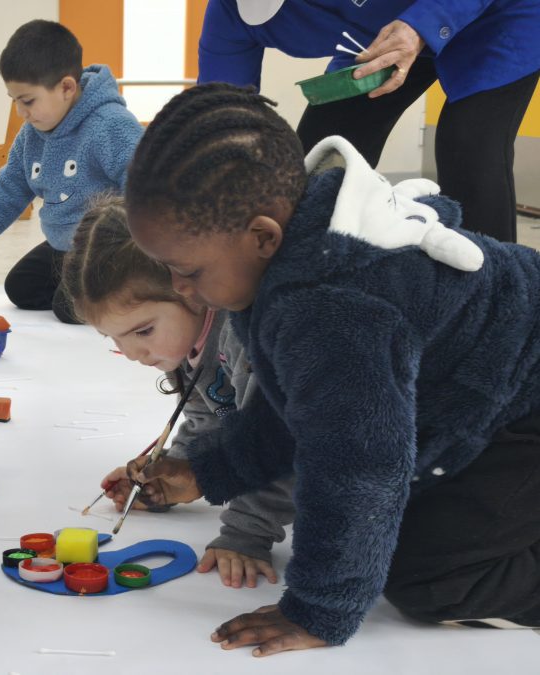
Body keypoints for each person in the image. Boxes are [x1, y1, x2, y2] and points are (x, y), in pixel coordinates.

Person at [124, 82, 540, 656]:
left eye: (185, 269)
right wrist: (207, 470)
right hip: (493, 391)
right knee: (387, 531)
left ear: (263, 236)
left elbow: (358, 465)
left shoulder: (330, 307)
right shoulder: (290, 260)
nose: (178, 287)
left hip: (524, 405)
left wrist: (320, 608)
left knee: (426, 578)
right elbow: (294, 405)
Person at [62, 198, 294, 588]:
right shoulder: (193, 337)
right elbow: (208, 419)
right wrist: (174, 470)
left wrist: (246, 532)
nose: (134, 354)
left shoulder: (247, 336)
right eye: (113, 338)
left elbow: (284, 444)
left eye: (143, 331)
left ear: (188, 287)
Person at [198, 0, 540, 242]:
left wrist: (422, 25)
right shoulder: (230, 14)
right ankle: (319, 281)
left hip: (498, 17)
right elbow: (220, 116)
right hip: (384, 37)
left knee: (468, 144)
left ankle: (499, 304)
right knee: (320, 157)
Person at [0, 19, 143, 323]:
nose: (20, 112)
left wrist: (137, 253)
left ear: (66, 87)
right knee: (20, 288)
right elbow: (9, 188)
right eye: (14, 101)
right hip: (64, 246)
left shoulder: (111, 125)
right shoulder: (32, 133)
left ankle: (121, 288)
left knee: (68, 308)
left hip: (109, 249)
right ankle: (86, 287)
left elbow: (145, 187)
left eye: (27, 101)